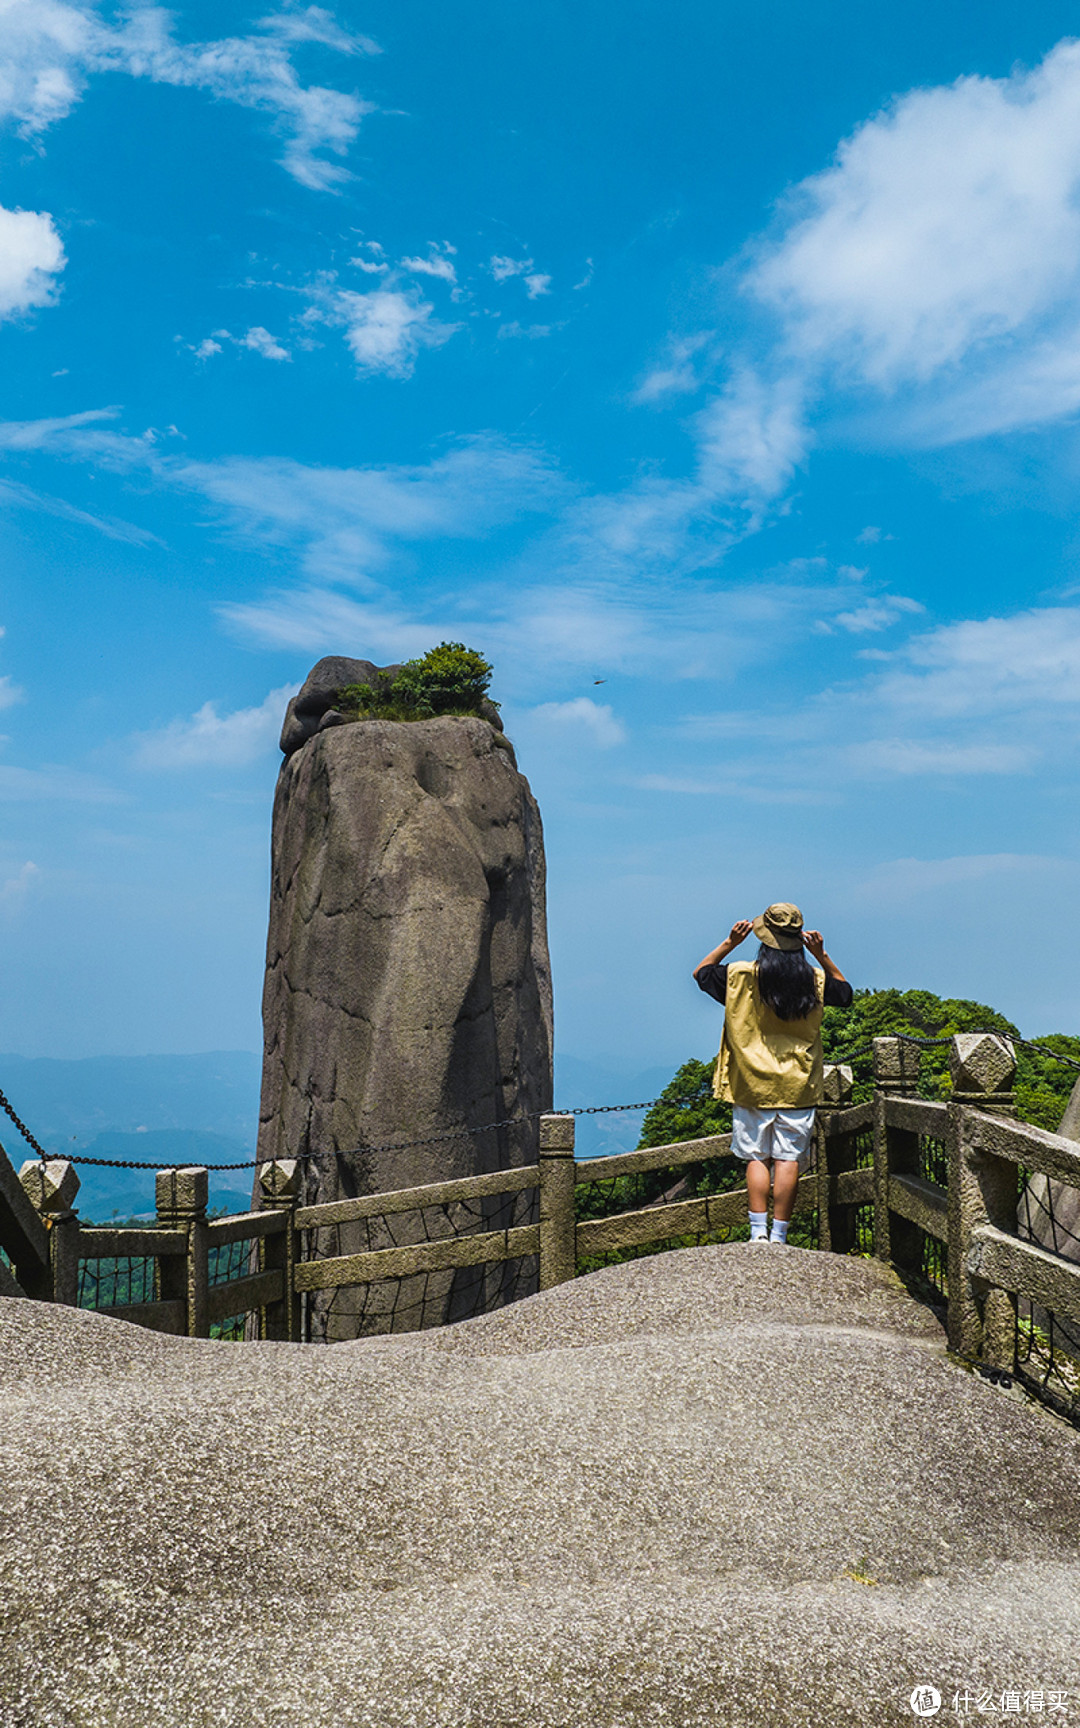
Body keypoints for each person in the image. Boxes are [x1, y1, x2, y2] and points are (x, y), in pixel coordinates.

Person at [692, 902, 853, 1245]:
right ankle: (780, 1234)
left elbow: (702, 973)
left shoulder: (739, 976)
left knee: (756, 1156)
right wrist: (822, 956)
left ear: (763, 937)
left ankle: (757, 1233)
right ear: (799, 940)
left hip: (752, 1081)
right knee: (788, 1158)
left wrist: (729, 943)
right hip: (798, 1082)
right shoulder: (814, 980)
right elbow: (845, 991)